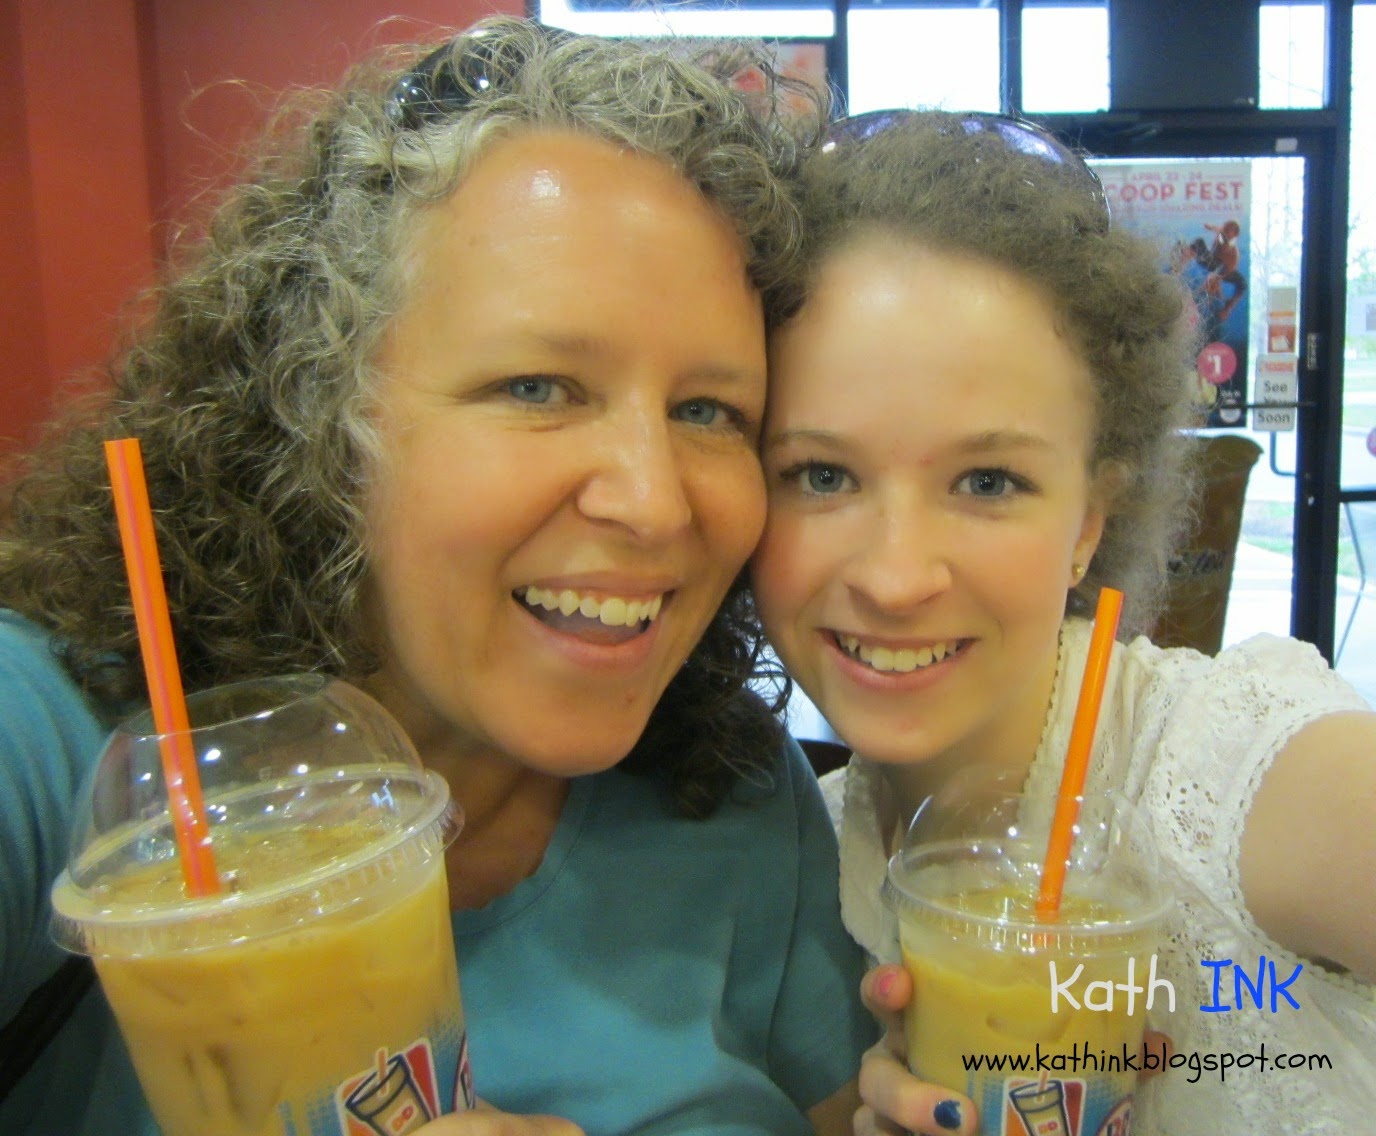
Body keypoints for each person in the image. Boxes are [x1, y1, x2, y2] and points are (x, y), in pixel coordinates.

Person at [0, 19, 876, 1135]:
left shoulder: (739, 795)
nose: (655, 502)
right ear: (326, 409)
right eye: (537, 387)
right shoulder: (58, 749)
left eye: (707, 410)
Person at [751, 109, 1376, 1135]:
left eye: (987, 480)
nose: (896, 577)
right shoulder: (801, 849)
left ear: (1088, 519)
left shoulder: (1232, 773)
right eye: (821, 474)